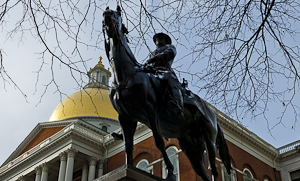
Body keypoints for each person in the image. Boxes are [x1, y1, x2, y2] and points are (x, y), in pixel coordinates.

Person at [144, 33, 183, 115]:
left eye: (160, 38)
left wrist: (152, 60)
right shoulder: (152, 53)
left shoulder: (170, 47)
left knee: (169, 79)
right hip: (152, 71)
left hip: (164, 70)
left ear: (165, 40)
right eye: (156, 39)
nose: (158, 41)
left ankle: (177, 103)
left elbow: (170, 54)